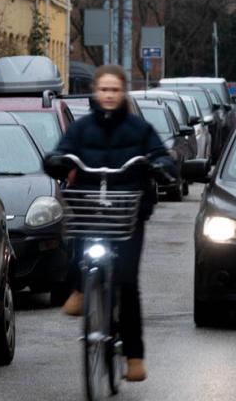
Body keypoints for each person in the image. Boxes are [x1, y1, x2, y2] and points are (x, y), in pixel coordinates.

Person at [45, 65, 174, 383]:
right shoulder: (82, 128)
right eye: (103, 89)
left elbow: (160, 154)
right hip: (92, 208)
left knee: (127, 282)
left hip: (129, 213)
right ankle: (80, 287)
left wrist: (160, 166)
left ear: (123, 93)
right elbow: (62, 151)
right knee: (80, 242)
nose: (108, 95)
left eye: (114, 90)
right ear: (95, 92)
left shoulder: (139, 128)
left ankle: (133, 356)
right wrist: (57, 161)